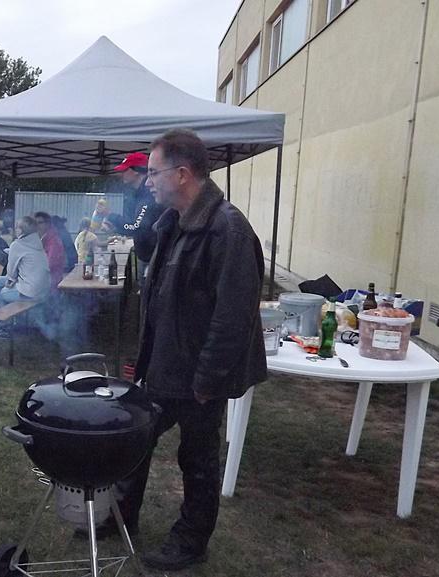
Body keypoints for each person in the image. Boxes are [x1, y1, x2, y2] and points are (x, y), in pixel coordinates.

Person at [114, 129, 267, 571]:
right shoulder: (173, 222)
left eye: (154, 172)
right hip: (166, 364)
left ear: (182, 174)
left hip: (199, 373)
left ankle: (191, 540)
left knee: (197, 459)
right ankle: (121, 516)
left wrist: (208, 380)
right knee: (136, 437)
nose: (147, 181)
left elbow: (234, 315)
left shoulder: (228, 230)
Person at [105, 152, 164, 287]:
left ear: (136, 171)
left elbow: (136, 227)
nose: (121, 174)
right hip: (147, 257)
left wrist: (111, 215)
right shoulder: (139, 195)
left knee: (148, 296)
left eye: (125, 170)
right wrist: (117, 228)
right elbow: (137, 228)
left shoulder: (148, 195)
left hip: (152, 259)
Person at [33, 212, 66, 292]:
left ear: (48, 224)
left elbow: (49, 265)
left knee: (4, 292)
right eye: (35, 223)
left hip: (49, 284)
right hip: (40, 280)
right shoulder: (42, 239)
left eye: (40, 223)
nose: (37, 226)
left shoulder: (54, 241)